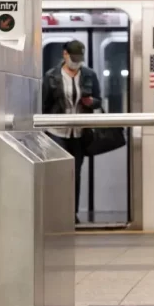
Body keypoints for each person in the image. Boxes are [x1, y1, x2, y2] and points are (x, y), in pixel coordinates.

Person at [43, 40, 102, 225]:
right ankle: (56, 213)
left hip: (79, 133)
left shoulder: (89, 75)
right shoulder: (51, 76)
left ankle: (72, 213)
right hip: (56, 131)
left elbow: (99, 100)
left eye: (79, 58)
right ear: (65, 54)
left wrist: (91, 102)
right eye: (73, 57)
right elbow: (44, 104)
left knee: (75, 174)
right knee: (58, 173)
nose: (76, 62)